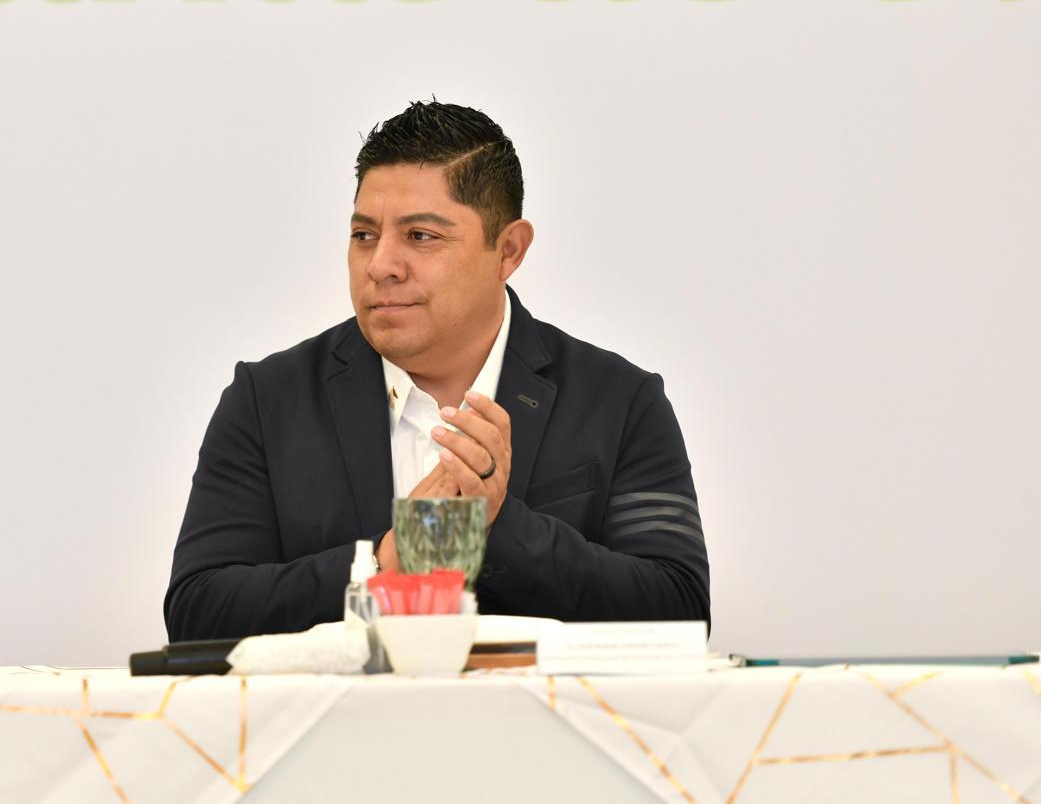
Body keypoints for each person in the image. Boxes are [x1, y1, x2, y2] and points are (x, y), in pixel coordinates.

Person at [165, 101, 709, 641]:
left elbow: (681, 612)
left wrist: (499, 525)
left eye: (420, 236)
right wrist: (383, 563)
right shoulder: (268, 401)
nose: (381, 265)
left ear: (509, 250)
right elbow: (197, 611)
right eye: (364, 235)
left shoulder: (620, 401)